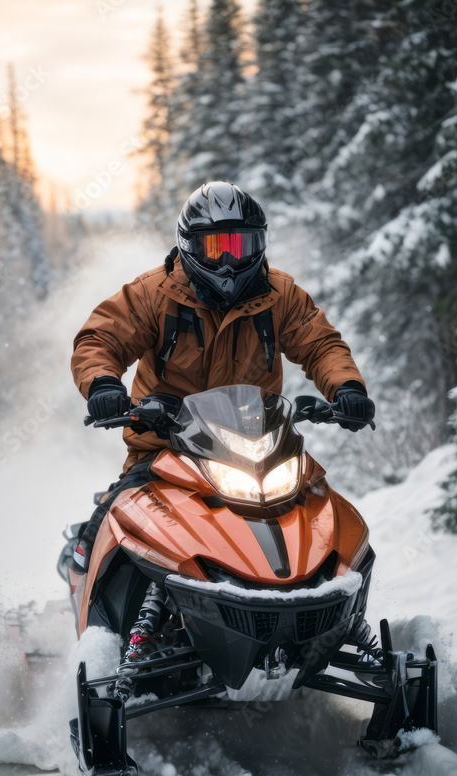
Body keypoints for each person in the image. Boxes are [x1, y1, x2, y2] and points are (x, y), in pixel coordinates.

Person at [69, 181, 374, 573]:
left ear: (259, 244)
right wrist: (103, 385)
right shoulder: (153, 293)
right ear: (190, 246)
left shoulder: (280, 295)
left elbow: (321, 344)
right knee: (120, 512)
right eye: (216, 247)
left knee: (320, 506)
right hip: (166, 446)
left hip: (259, 450)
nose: (229, 261)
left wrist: (347, 388)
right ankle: (92, 601)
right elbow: (101, 338)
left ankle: (339, 604)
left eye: (240, 245)